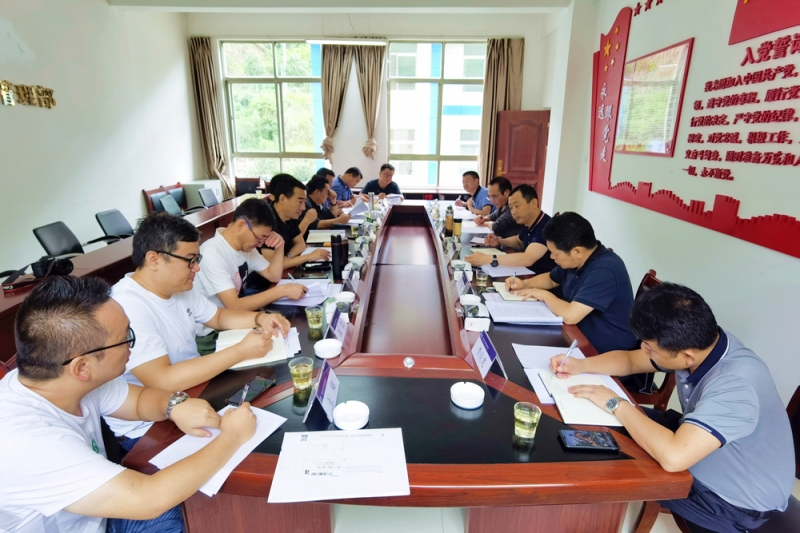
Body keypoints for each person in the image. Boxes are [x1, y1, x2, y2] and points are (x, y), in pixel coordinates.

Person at [0, 275, 257, 533]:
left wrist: (174, 405)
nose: (133, 346)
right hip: (105, 521)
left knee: (206, 503)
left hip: (100, 514)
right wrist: (233, 436)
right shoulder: (27, 443)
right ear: (82, 367)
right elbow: (149, 499)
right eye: (126, 338)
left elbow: (138, 401)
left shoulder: (56, 380)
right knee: (210, 515)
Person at [551, 283, 794, 533]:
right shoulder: (704, 343)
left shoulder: (735, 385)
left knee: (609, 470)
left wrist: (615, 403)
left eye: (650, 348)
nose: (643, 350)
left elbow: (674, 458)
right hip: (697, 443)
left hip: (734, 500)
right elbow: (631, 361)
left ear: (687, 356)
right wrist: (580, 366)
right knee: (602, 424)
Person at [106, 213, 290, 448]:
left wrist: (260, 318)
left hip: (194, 390)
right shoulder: (126, 305)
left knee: (266, 407)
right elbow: (163, 380)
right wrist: (241, 351)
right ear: (154, 259)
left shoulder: (179, 286)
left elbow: (219, 317)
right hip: (150, 426)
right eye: (190, 260)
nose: (197, 268)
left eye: (197, 258)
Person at [506, 212, 639, 355]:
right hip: (575, 334)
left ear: (577, 251)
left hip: (606, 351)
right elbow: (551, 279)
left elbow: (570, 315)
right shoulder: (577, 261)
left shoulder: (604, 270)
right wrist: (525, 284)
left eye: (555, 253)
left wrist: (544, 295)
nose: (552, 257)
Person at [193, 199, 308, 351]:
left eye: (264, 239)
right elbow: (234, 306)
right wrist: (281, 290)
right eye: (259, 238)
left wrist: (279, 246)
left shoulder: (245, 248)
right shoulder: (212, 254)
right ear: (241, 225)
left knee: (288, 332)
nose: (260, 244)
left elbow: (273, 276)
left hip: (233, 321)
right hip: (211, 334)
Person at [465, 184, 556, 274]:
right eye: (511, 208)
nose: (513, 212)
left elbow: (528, 258)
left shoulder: (546, 226)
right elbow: (519, 241)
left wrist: (488, 259)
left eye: (517, 206)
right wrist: (498, 241)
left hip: (543, 277)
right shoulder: (529, 222)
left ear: (533, 203)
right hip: (528, 272)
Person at [263, 175, 331, 269]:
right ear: (282, 198)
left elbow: (301, 244)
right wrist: (308, 257)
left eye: (304, 202)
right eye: (300, 202)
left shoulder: (290, 216)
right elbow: (275, 265)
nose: (303, 208)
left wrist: (288, 257)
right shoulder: (265, 221)